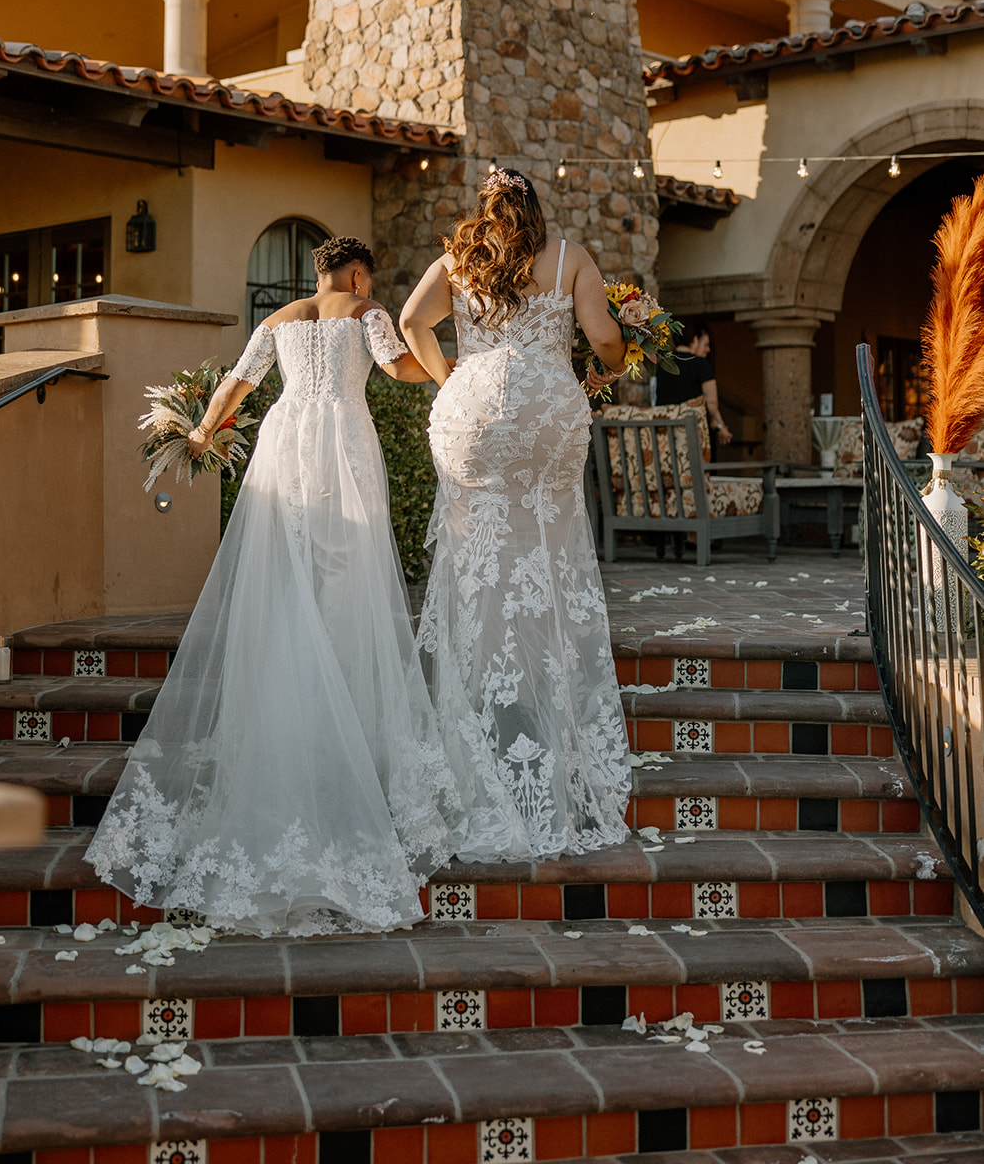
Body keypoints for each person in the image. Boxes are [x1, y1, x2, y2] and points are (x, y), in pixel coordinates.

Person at [87, 237, 461, 936]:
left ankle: (293, 704)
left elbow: (238, 382)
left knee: (286, 570)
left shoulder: (280, 319)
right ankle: (340, 725)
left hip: (286, 441)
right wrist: (452, 377)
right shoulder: (367, 309)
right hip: (343, 440)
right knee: (346, 571)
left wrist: (200, 431)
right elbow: (397, 365)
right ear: (356, 273)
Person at [400, 170, 633, 861]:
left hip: (469, 409)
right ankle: (540, 692)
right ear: (536, 208)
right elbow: (604, 341)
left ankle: (476, 703)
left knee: (474, 549)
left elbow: (411, 323)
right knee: (547, 544)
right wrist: (609, 366)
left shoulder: (456, 259)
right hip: (545, 412)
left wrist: (455, 377)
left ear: (486, 208)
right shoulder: (568, 257)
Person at [654, 317, 732, 448]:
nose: (708, 350)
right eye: (706, 345)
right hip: (693, 434)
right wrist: (719, 426)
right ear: (695, 339)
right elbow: (711, 404)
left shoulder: (664, 363)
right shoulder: (700, 364)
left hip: (665, 432)